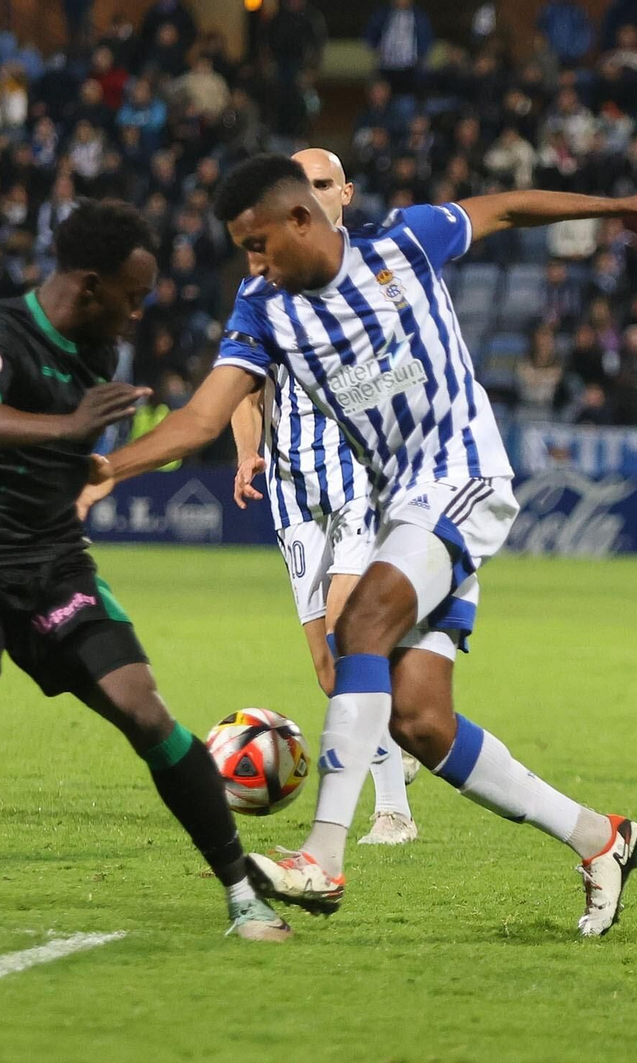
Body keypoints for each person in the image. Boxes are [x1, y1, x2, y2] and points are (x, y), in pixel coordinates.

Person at [80, 151, 637, 936]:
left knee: (362, 623)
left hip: (465, 475)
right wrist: (109, 463)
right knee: (421, 720)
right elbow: (204, 419)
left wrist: (625, 204)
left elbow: (506, 206)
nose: (253, 263)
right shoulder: (263, 309)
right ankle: (600, 838)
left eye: (258, 244)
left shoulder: (404, 243)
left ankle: (322, 853)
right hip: (398, 509)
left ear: (300, 220)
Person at [0, 201, 290, 943]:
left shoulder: (96, 354)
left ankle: (242, 891)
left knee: (146, 711)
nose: (139, 313)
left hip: (52, 562)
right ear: (88, 285)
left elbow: (33, 461)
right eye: (132, 296)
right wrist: (66, 431)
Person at [229, 148, 420, 847]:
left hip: (360, 482)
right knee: (327, 666)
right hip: (291, 489)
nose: (306, 195)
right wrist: (248, 449)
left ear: (344, 193)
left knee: (350, 635)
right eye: (297, 184)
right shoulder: (262, 288)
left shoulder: (377, 274)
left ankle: (393, 809)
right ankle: (393, 738)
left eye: (319, 182)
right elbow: (243, 389)